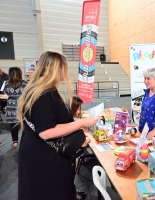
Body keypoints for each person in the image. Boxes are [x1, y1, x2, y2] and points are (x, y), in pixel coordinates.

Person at [17, 51, 98, 200]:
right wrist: (81, 123)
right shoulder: (44, 95)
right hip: (45, 160)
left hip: (39, 154)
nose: (66, 71)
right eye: (64, 67)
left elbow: (51, 122)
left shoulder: (40, 91)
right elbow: (46, 131)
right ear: (56, 69)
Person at [3, 67, 27, 147]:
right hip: (21, 105)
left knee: (13, 124)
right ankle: (25, 141)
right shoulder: (25, 83)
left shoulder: (6, 83)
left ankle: (15, 142)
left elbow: (5, 92)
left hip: (10, 106)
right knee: (25, 124)